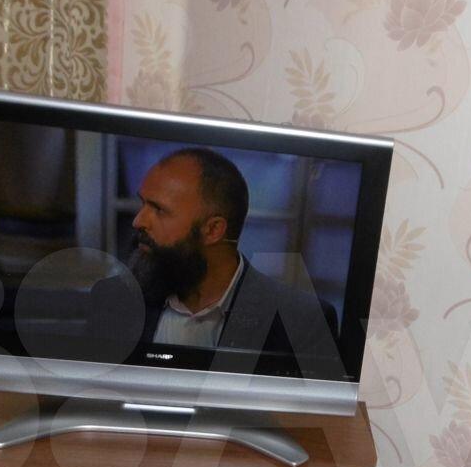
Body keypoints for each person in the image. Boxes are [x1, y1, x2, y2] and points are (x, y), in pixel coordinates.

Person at [87, 147, 340, 375]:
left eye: (159, 210)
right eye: (143, 204)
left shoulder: (303, 322)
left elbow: (310, 412)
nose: (138, 221)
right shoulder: (113, 299)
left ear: (212, 230)